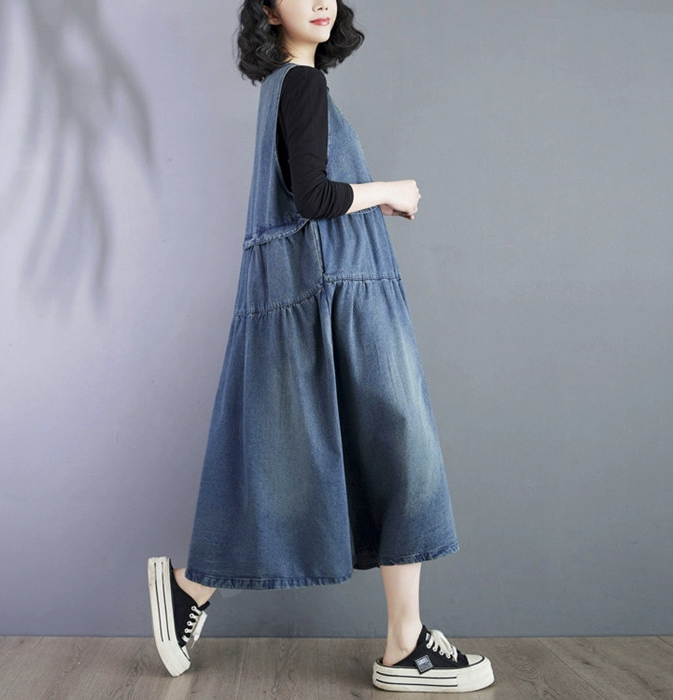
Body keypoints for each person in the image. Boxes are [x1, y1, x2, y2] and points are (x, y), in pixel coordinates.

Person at [147, 0, 494, 693]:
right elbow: (311, 197)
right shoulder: (302, 83)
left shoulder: (282, 89)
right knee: (402, 454)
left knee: (288, 461)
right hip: (345, 299)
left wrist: (370, 201)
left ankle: (193, 588)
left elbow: (298, 196)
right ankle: (404, 647)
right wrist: (388, 190)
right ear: (267, 12)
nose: (320, 1)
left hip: (313, 297)